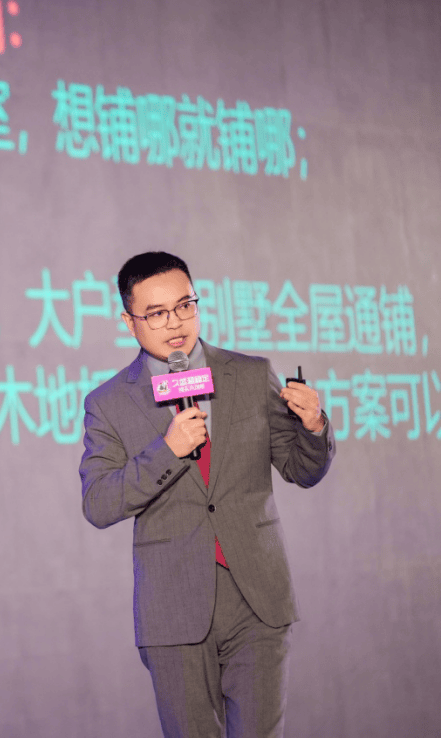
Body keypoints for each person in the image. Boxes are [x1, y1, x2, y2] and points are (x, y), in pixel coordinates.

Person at [79, 252, 335, 738]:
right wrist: (167, 450)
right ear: (129, 322)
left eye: (185, 306)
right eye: (156, 313)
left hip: (257, 597)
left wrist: (314, 426)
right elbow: (99, 502)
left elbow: (302, 470)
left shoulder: (249, 374)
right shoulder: (109, 403)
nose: (175, 323)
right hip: (173, 608)